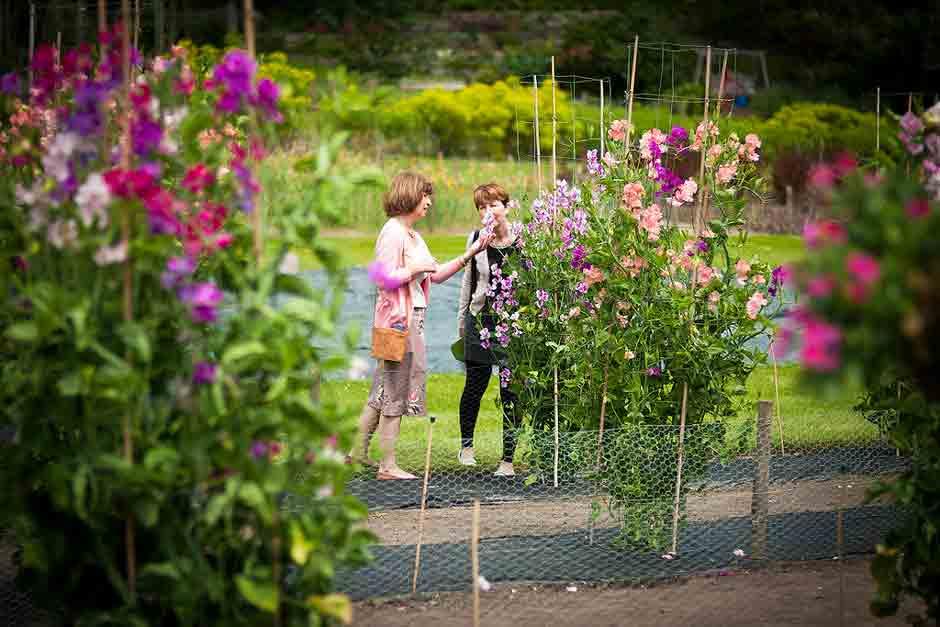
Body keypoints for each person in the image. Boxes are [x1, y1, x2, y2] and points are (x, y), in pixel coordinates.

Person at [352, 172, 492, 480]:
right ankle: (387, 466)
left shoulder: (413, 235)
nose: (429, 202)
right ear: (410, 196)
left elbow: (436, 274)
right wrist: (415, 267)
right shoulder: (393, 232)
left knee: (382, 389)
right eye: (425, 195)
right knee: (396, 391)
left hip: (411, 319)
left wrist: (471, 253)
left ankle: (357, 453)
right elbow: (383, 277)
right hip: (399, 322)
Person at [456, 183, 522, 476]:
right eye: (482, 207)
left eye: (493, 204)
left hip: (514, 324)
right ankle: (467, 447)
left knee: (511, 392)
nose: (488, 211)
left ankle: (507, 460)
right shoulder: (476, 239)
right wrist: (462, 323)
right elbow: (468, 285)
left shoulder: (525, 239)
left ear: (506, 207)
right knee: (475, 386)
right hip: (480, 320)